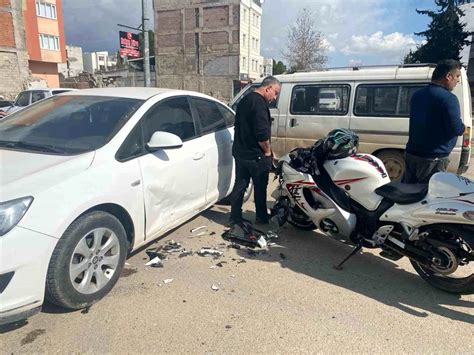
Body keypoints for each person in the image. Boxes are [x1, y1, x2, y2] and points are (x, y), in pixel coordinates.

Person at [229, 76, 281, 226]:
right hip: (255, 156)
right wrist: (267, 152)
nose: (275, 97)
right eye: (275, 93)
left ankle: (235, 217)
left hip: (241, 152)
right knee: (260, 187)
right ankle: (261, 217)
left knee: (240, 184)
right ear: (268, 88)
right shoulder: (259, 104)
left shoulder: (245, 99)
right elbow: (261, 134)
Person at [403, 59, 466, 184]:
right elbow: (456, 128)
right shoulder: (449, 98)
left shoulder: (417, 95)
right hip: (432, 159)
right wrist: (464, 127)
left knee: (408, 194)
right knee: (427, 197)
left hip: (411, 154)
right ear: (448, 76)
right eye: (457, 76)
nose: (458, 80)